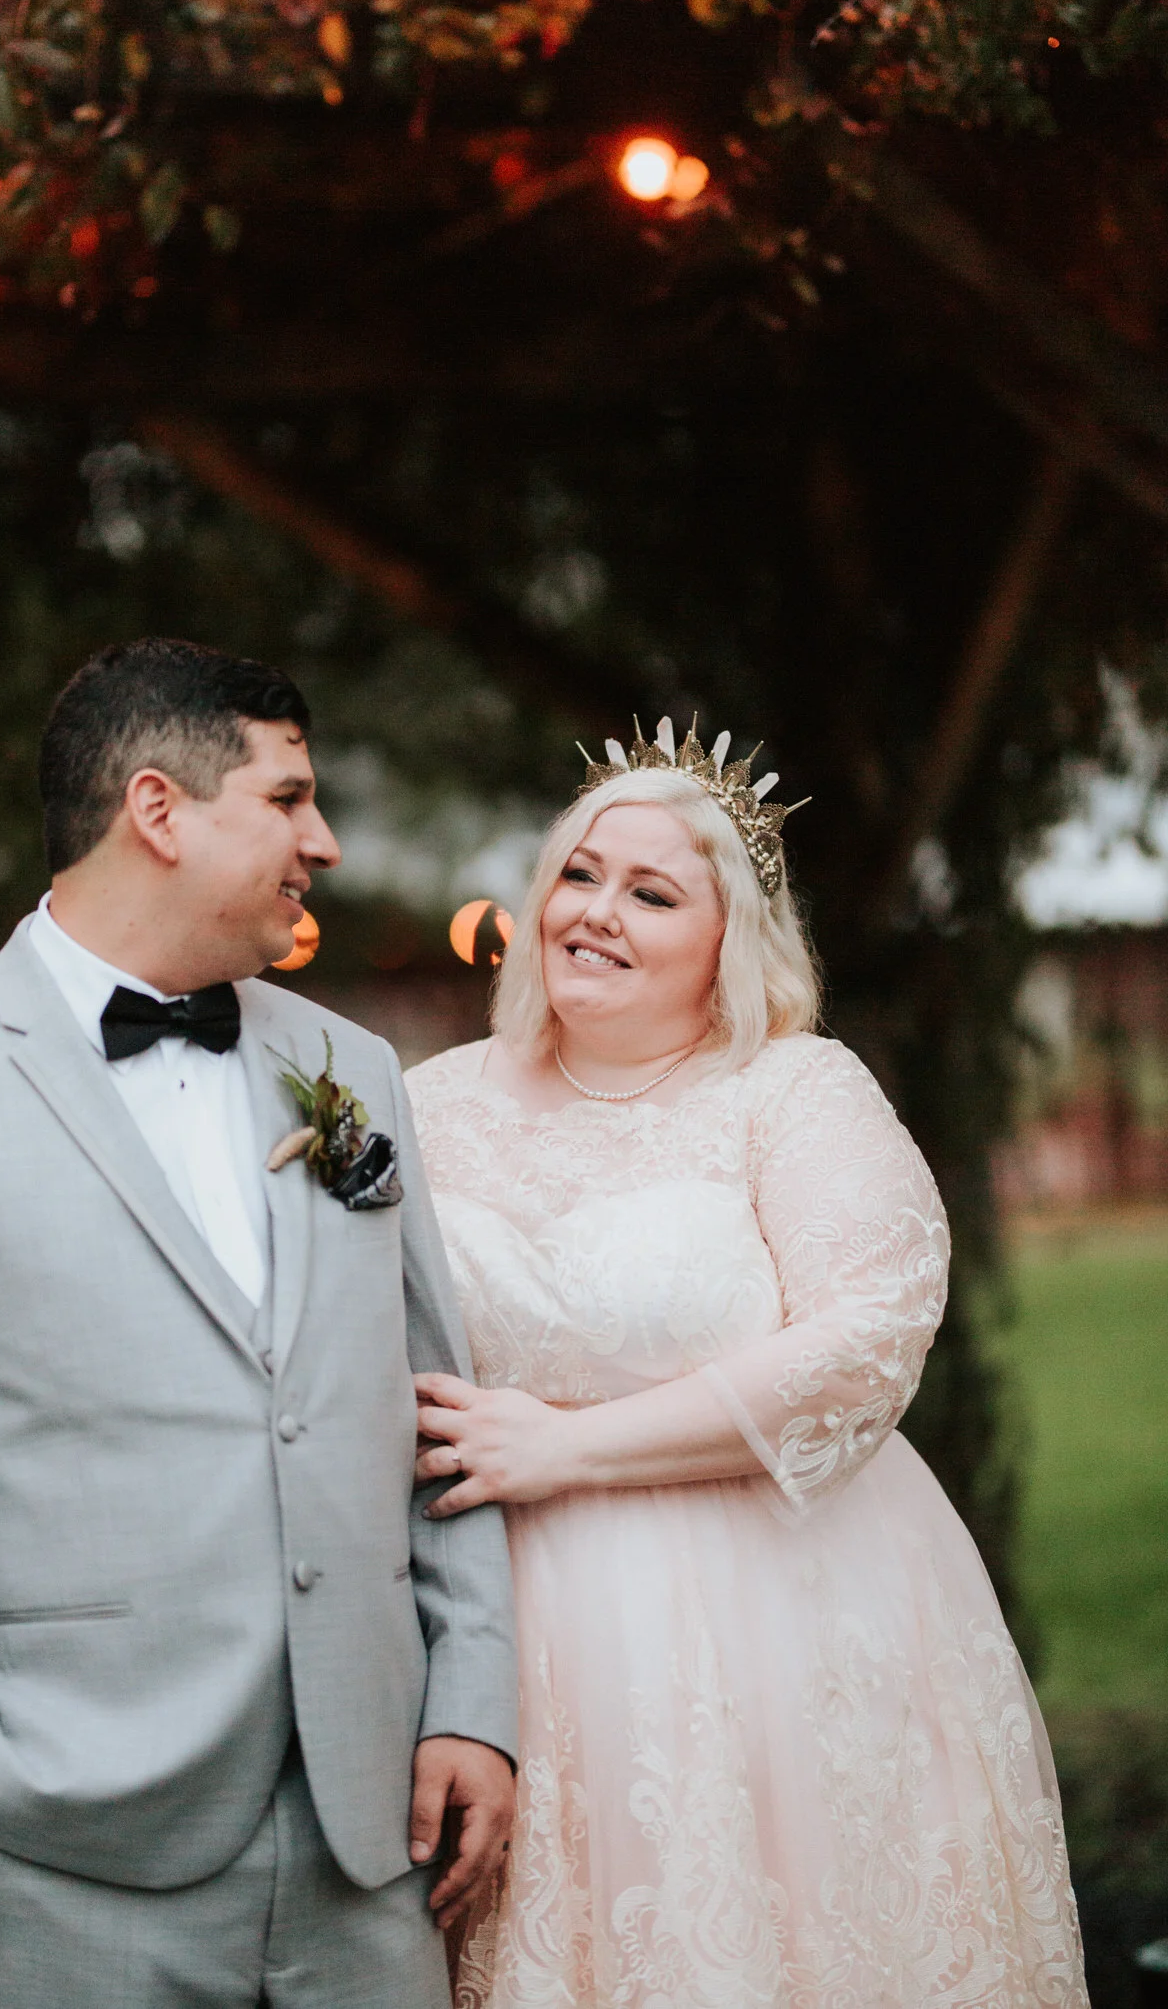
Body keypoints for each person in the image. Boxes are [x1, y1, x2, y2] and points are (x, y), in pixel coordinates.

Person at [0, 638, 517, 2009]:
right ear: (160, 811)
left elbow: (438, 1411)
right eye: (289, 799)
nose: (327, 843)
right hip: (66, 1852)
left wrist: (473, 1703)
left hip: (371, 1847)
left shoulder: (346, 1071)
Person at [405, 720, 1088, 2009]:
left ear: (731, 940)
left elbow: (865, 1342)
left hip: (793, 1626)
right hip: (508, 1636)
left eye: (652, 892)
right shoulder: (429, 1104)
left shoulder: (793, 1092)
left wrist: (561, 1447)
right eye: (580, 874)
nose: (596, 913)